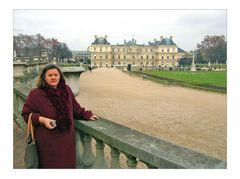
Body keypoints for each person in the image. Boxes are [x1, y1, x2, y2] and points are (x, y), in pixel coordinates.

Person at [21, 64, 98, 168]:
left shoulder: (66, 90)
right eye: (50, 75)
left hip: (66, 140)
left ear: (60, 76)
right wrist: (42, 119)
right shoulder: (35, 94)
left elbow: (75, 108)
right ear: (44, 77)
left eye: (55, 75)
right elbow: (26, 113)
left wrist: (86, 115)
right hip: (47, 142)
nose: (53, 77)